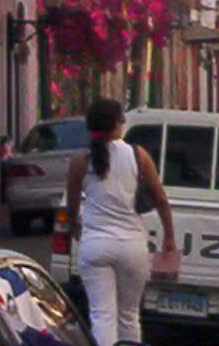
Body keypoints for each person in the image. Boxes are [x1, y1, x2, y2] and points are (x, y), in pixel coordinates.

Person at [66, 98, 175, 346]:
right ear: (118, 124)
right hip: (131, 246)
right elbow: (160, 198)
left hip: (95, 243)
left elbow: (72, 206)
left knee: (101, 315)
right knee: (129, 315)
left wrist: (76, 230)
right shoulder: (138, 155)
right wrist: (169, 236)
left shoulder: (80, 161)